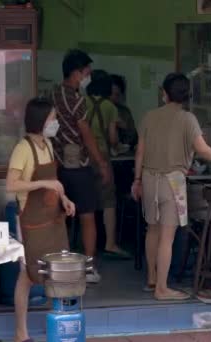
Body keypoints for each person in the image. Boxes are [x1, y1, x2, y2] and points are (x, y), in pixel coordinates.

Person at [132, 72, 211, 301]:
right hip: (173, 180)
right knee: (167, 236)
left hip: (148, 177)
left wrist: (137, 180)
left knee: (152, 230)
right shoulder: (188, 119)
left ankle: (152, 278)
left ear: (164, 94)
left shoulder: (149, 116)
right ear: (187, 96)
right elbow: (202, 149)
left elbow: (140, 152)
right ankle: (162, 289)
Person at [6, 98, 76, 342]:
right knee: (28, 275)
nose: (55, 122)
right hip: (31, 221)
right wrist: (44, 183)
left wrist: (64, 198)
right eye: (52, 118)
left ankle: (56, 325)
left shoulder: (47, 144)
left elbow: (55, 183)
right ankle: (20, 334)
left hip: (53, 219)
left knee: (55, 272)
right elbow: (11, 184)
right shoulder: (23, 148)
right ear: (40, 121)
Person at [51, 49, 111, 283]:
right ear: (76, 73)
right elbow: (86, 134)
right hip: (79, 167)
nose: (88, 77)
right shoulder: (77, 101)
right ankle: (88, 267)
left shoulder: (53, 93)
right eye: (87, 72)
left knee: (61, 218)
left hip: (57, 165)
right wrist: (102, 163)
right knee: (87, 216)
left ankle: (61, 264)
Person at [86, 70, 130, 258]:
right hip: (102, 156)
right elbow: (112, 138)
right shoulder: (109, 107)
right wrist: (118, 146)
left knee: (86, 200)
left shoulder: (82, 102)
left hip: (83, 156)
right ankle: (110, 243)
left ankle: (86, 244)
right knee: (109, 201)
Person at [110, 74, 138, 148]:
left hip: (122, 155)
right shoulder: (99, 109)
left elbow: (134, 138)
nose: (113, 97)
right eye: (110, 94)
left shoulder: (124, 112)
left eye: (116, 94)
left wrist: (124, 128)